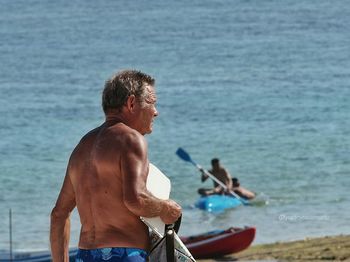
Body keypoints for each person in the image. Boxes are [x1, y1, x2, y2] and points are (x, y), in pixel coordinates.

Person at [50, 69, 182, 262]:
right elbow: (135, 200)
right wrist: (165, 208)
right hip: (125, 255)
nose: (156, 111)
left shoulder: (82, 147)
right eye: (152, 102)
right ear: (131, 103)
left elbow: (58, 215)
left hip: (85, 255)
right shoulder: (130, 139)